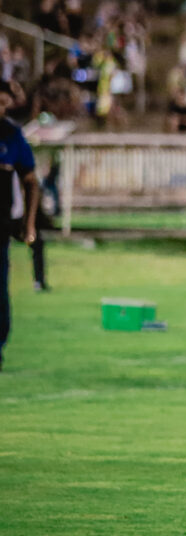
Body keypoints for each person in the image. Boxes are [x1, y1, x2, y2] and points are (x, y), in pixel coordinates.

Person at [0, 80, 40, 371]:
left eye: (4, 103)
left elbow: (31, 182)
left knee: (0, 296)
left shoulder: (11, 135)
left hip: (0, 229)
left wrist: (29, 224)